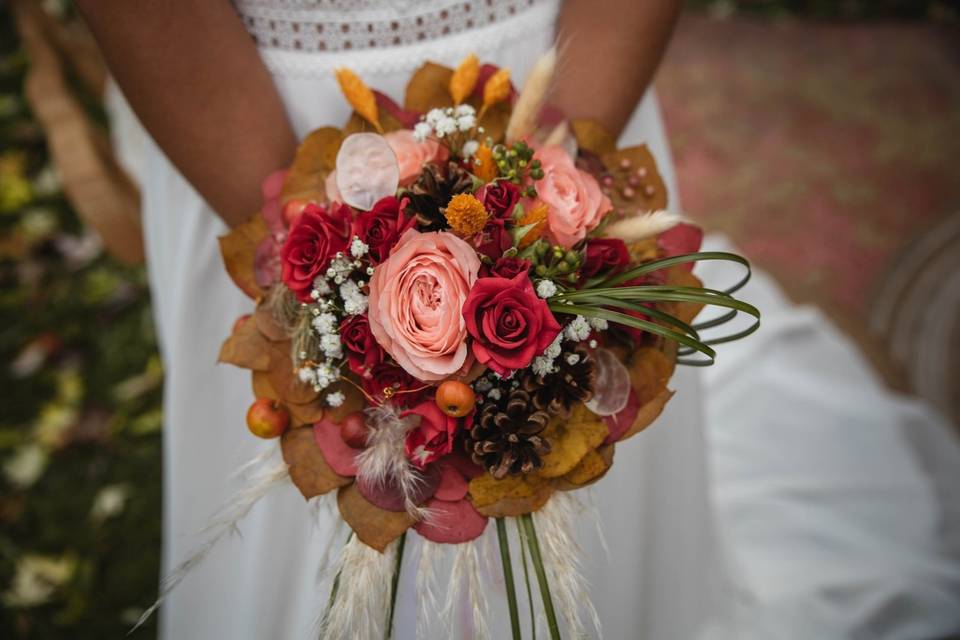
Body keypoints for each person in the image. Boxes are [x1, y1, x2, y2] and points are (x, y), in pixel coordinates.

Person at [78, 1, 960, 638]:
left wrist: (552, 203)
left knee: (598, 492)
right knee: (306, 538)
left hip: (570, 97)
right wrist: (321, 267)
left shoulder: (567, 147)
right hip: (245, 131)